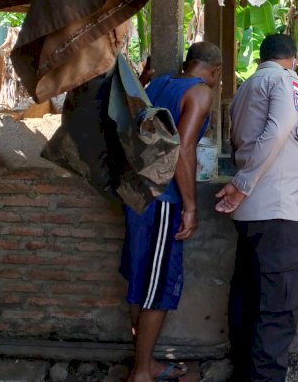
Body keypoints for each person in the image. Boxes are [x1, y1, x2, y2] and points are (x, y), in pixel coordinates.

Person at [121, 42, 222, 382]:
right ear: (215, 71)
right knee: (156, 284)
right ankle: (141, 373)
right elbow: (185, 149)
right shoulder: (200, 93)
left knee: (143, 277)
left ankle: (145, 364)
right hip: (164, 198)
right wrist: (191, 206)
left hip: (138, 192)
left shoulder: (159, 82)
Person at [215, 34, 298, 381]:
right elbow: (279, 128)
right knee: (278, 306)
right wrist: (243, 184)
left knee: (249, 298)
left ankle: (244, 373)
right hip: (275, 210)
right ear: (293, 59)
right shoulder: (285, 79)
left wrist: (244, 184)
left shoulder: (247, 86)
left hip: (253, 214)